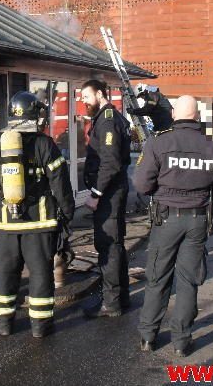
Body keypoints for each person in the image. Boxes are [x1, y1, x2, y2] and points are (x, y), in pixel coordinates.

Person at [134, 95, 213, 357]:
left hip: (166, 218)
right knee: (188, 281)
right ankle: (181, 341)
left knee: (157, 278)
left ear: (174, 115)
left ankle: (148, 337)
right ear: (197, 116)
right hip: (198, 219)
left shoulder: (159, 142)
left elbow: (142, 185)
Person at [0, 91, 75, 338]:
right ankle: (40, 326)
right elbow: (60, 182)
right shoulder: (45, 144)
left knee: (7, 272)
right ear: (34, 114)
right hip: (40, 224)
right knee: (41, 273)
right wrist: (67, 212)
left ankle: (4, 323)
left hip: (7, 224)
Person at [80, 79, 132, 318]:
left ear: (99, 94)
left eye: (86, 97)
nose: (83, 102)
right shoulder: (104, 117)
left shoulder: (108, 120)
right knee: (116, 244)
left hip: (109, 193)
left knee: (108, 245)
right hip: (112, 191)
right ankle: (120, 298)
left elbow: (110, 162)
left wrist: (96, 194)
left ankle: (111, 303)